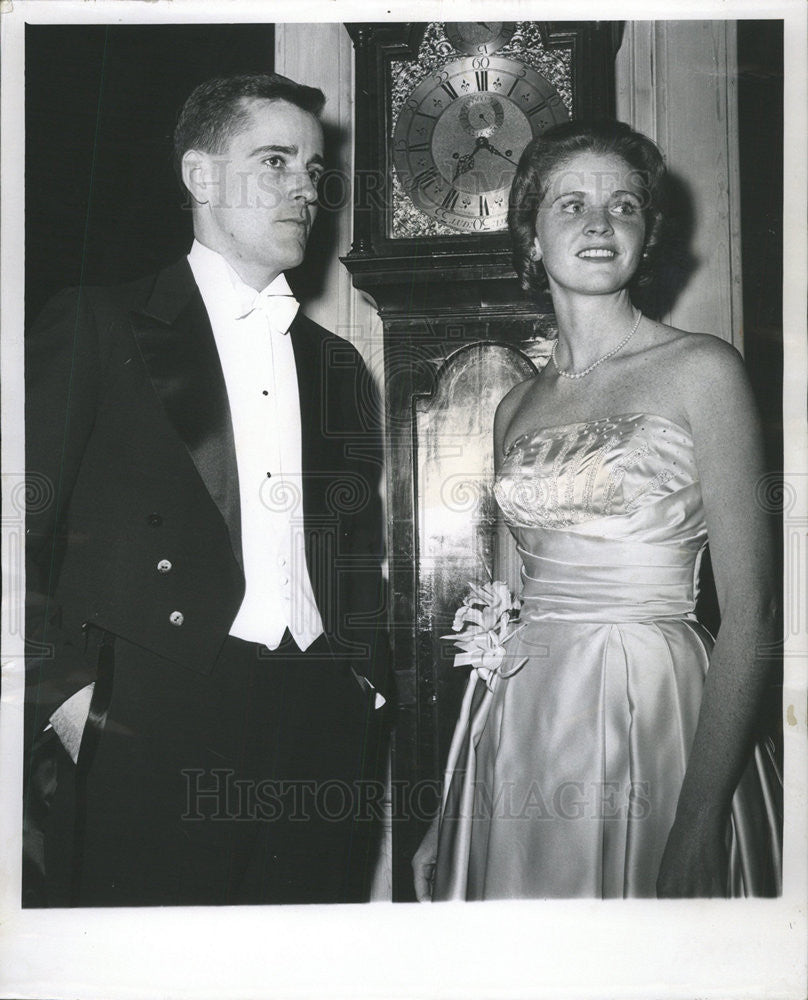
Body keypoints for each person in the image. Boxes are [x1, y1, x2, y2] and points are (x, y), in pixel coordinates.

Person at [24, 72, 388, 907]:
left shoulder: (337, 365)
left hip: (318, 720)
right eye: (275, 161)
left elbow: (353, 551)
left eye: (313, 167)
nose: (306, 186)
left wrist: (363, 686)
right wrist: (69, 697)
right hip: (148, 715)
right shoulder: (97, 322)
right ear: (200, 176)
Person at [412, 119, 781, 900]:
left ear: (648, 237)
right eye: (571, 204)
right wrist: (449, 808)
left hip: (656, 706)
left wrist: (700, 818)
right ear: (530, 236)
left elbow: (753, 615)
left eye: (623, 207)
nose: (599, 224)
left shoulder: (702, 370)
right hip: (525, 719)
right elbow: (504, 610)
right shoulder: (515, 405)